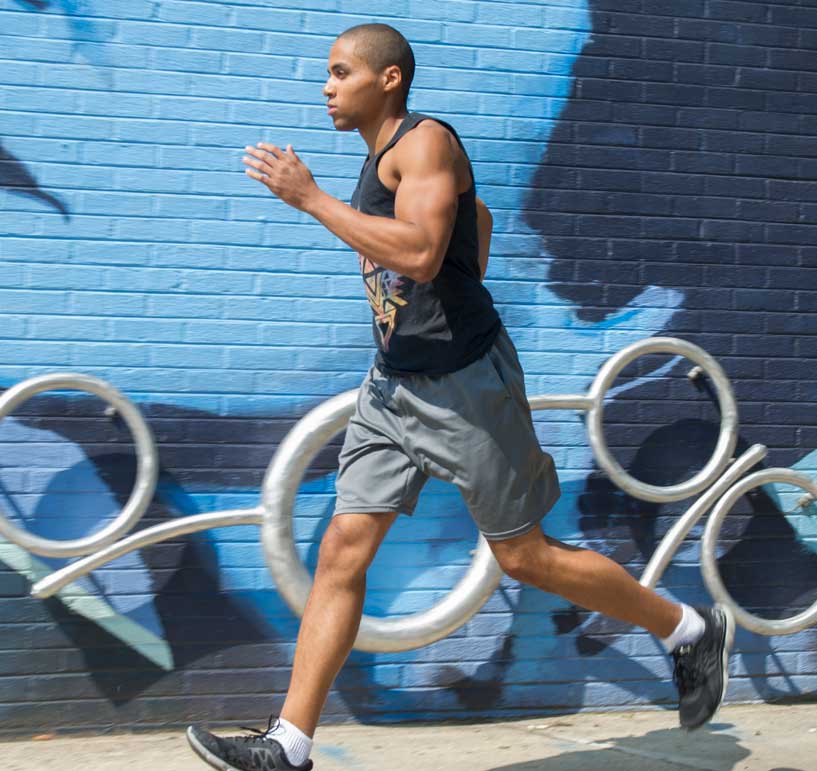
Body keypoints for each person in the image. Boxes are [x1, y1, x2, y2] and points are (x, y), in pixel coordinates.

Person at [185, 24, 735, 771]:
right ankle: (290, 744)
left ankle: (687, 629)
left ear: (389, 80)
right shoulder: (381, 160)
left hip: (463, 387)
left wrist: (308, 197)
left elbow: (419, 250)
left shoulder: (425, 142)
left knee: (526, 557)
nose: (326, 86)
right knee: (345, 549)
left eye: (341, 71)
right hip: (393, 384)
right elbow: (475, 227)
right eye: (327, 73)